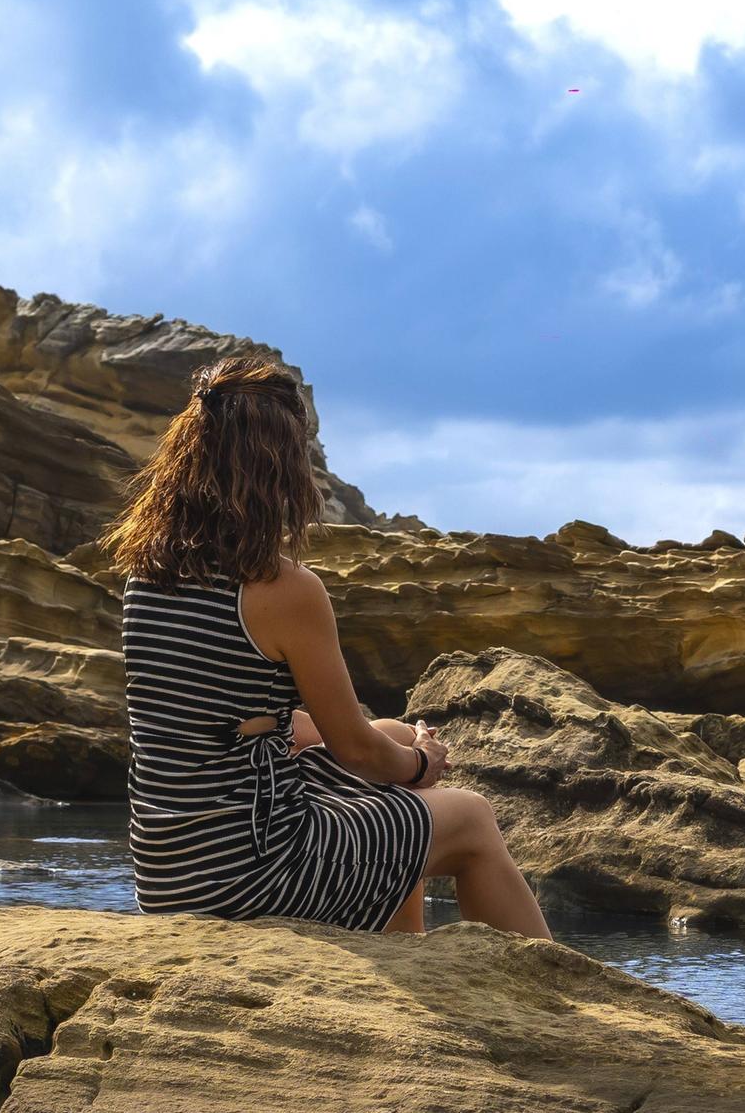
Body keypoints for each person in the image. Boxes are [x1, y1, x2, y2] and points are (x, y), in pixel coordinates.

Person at [109, 356, 551, 940]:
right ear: (280, 469)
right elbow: (358, 755)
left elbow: (215, 717)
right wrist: (423, 760)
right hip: (245, 872)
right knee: (469, 816)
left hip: (169, 868)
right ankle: (556, 994)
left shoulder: (147, 571)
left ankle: (403, 951)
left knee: (388, 732)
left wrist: (389, 744)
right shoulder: (283, 589)